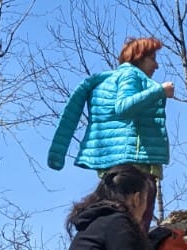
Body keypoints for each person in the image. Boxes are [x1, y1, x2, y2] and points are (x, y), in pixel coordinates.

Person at [47, 37, 174, 179]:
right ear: (139, 57)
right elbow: (123, 107)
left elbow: (69, 117)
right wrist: (160, 91)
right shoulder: (130, 75)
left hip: (109, 162)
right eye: (152, 59)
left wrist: (56, 155)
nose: (156, 65)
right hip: (133, 162)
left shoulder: (107, 80)